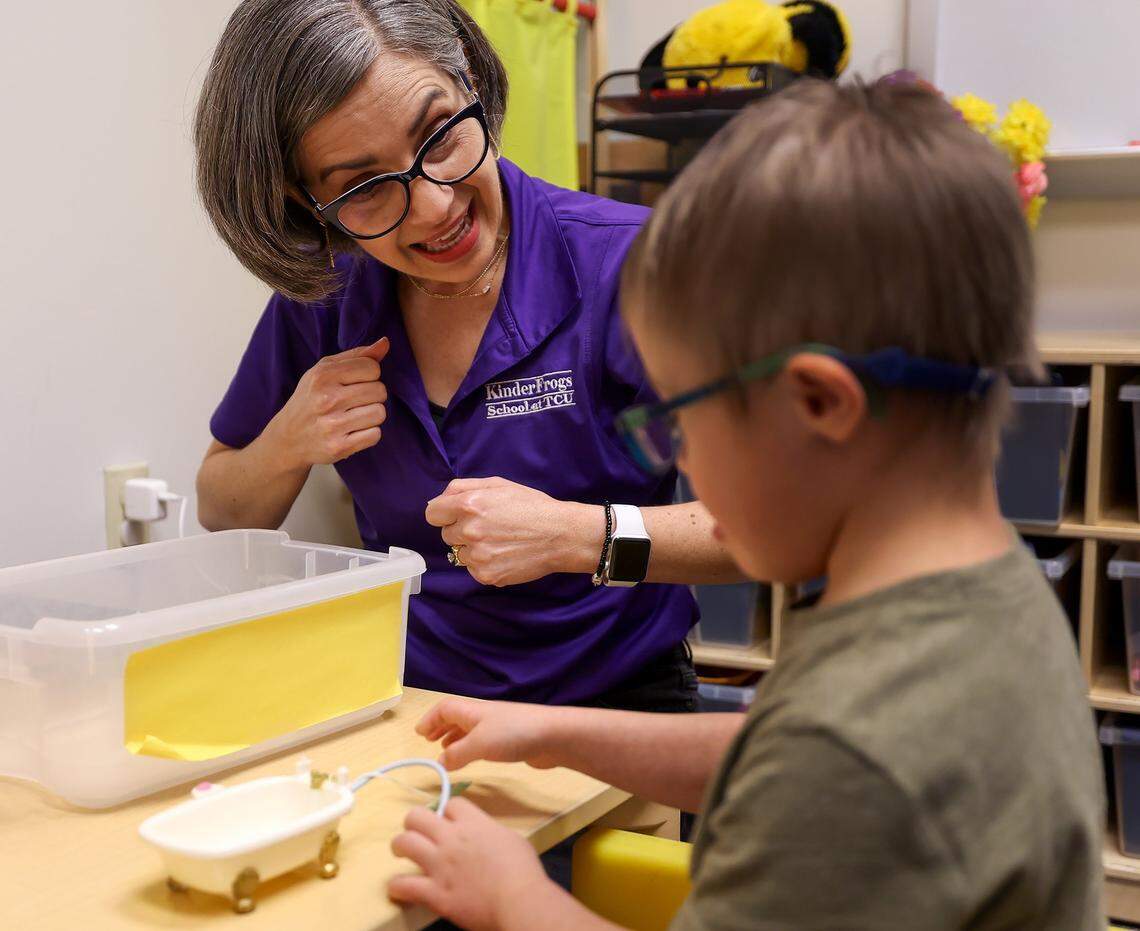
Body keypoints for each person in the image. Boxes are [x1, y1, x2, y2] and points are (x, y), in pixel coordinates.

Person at [386, 79, 1106, 930]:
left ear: (818, 404)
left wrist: (514, 897)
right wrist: (553, 732)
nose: (680, 460)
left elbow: (814, 759)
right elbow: (773, 752)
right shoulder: (987, 599)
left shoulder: (857, 745)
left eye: (678, 423)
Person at [193, 0, 742, 711]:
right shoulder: (327, 293)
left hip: (616, 707)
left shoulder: (635, 265)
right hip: (408, 708)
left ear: (473, 86)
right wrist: (289, 441)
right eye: (364, 189)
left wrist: (583, 536)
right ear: (307, 203)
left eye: (440, 136)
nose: (432, 205)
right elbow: (221, 506)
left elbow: (779, 524)